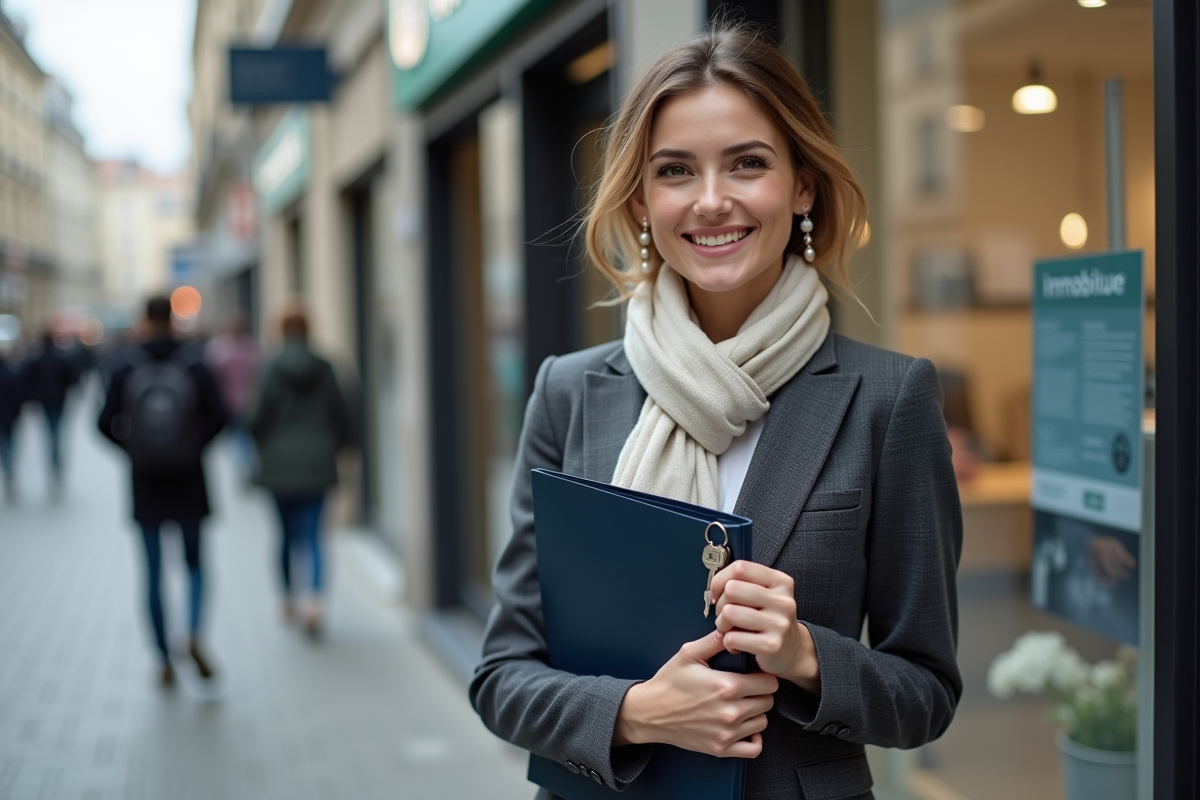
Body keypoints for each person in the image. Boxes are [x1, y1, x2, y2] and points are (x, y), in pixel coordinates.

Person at [470, 26, 963, 798]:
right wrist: (636, 713)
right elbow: (501, 676)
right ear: (641, 199)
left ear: (803, 185)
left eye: (748, 163)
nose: (710, 200)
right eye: (675, 171)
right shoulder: (570, 391)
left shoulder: (887, 399)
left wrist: (804, 654)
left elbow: (926, 693)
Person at [98, 296, 228, 686]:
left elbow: (102, 423)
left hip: (146, 483)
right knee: (194, 564)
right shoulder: (193, 361)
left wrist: (135, 450)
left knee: (152, 571)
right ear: (172, 319)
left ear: (143, 320)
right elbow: (220, 415)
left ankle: (162, 658)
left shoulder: (124, 364)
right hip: (189, 480)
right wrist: (192, 447)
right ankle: (192, 633)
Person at [246, 305, 352, 638]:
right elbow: (343, 413)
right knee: (315, 537)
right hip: (317, 464)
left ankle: (288, 598)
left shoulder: (270, 367)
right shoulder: (326, 367)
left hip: (278, 466)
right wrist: (338, 447)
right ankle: (314, 601)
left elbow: (256, 417)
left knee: (284, 537)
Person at [205, 311, 261, 476]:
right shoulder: (252, 348)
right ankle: (246, 464)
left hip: (228, 401)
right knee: (244, 435)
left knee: (238, 435)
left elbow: (213, 376)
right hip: (249, 400)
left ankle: (242, 465)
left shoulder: (219, 350)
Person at [20, 330, 76, 496]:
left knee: (50, 432)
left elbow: (28, 380)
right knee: (56, 431)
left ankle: (54, 463)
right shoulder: (61, 358)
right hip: (58, 400)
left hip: (45, 401)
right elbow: (70, 378)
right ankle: (56, 464)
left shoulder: (36, 360)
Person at [0, 344, 24, 501]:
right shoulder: (11, 373)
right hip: (10, 416)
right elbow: (18, 396)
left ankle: (9, 469)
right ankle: (10, 470)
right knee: (10, 444)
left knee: (4, 445)